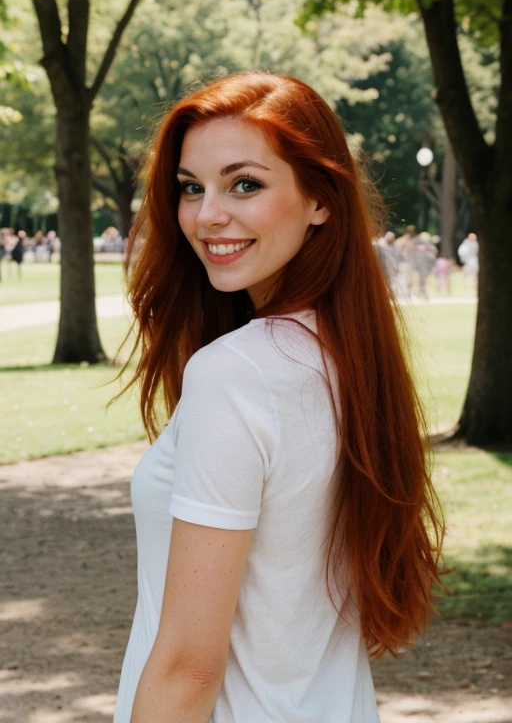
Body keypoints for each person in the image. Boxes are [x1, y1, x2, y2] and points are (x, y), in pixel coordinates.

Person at [113, 72, 444, 723]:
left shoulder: (235, 374)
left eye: (245, 184)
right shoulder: (348, 358)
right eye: (191, 187)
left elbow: (187, 668)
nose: (208, 215)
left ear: (320, 198)